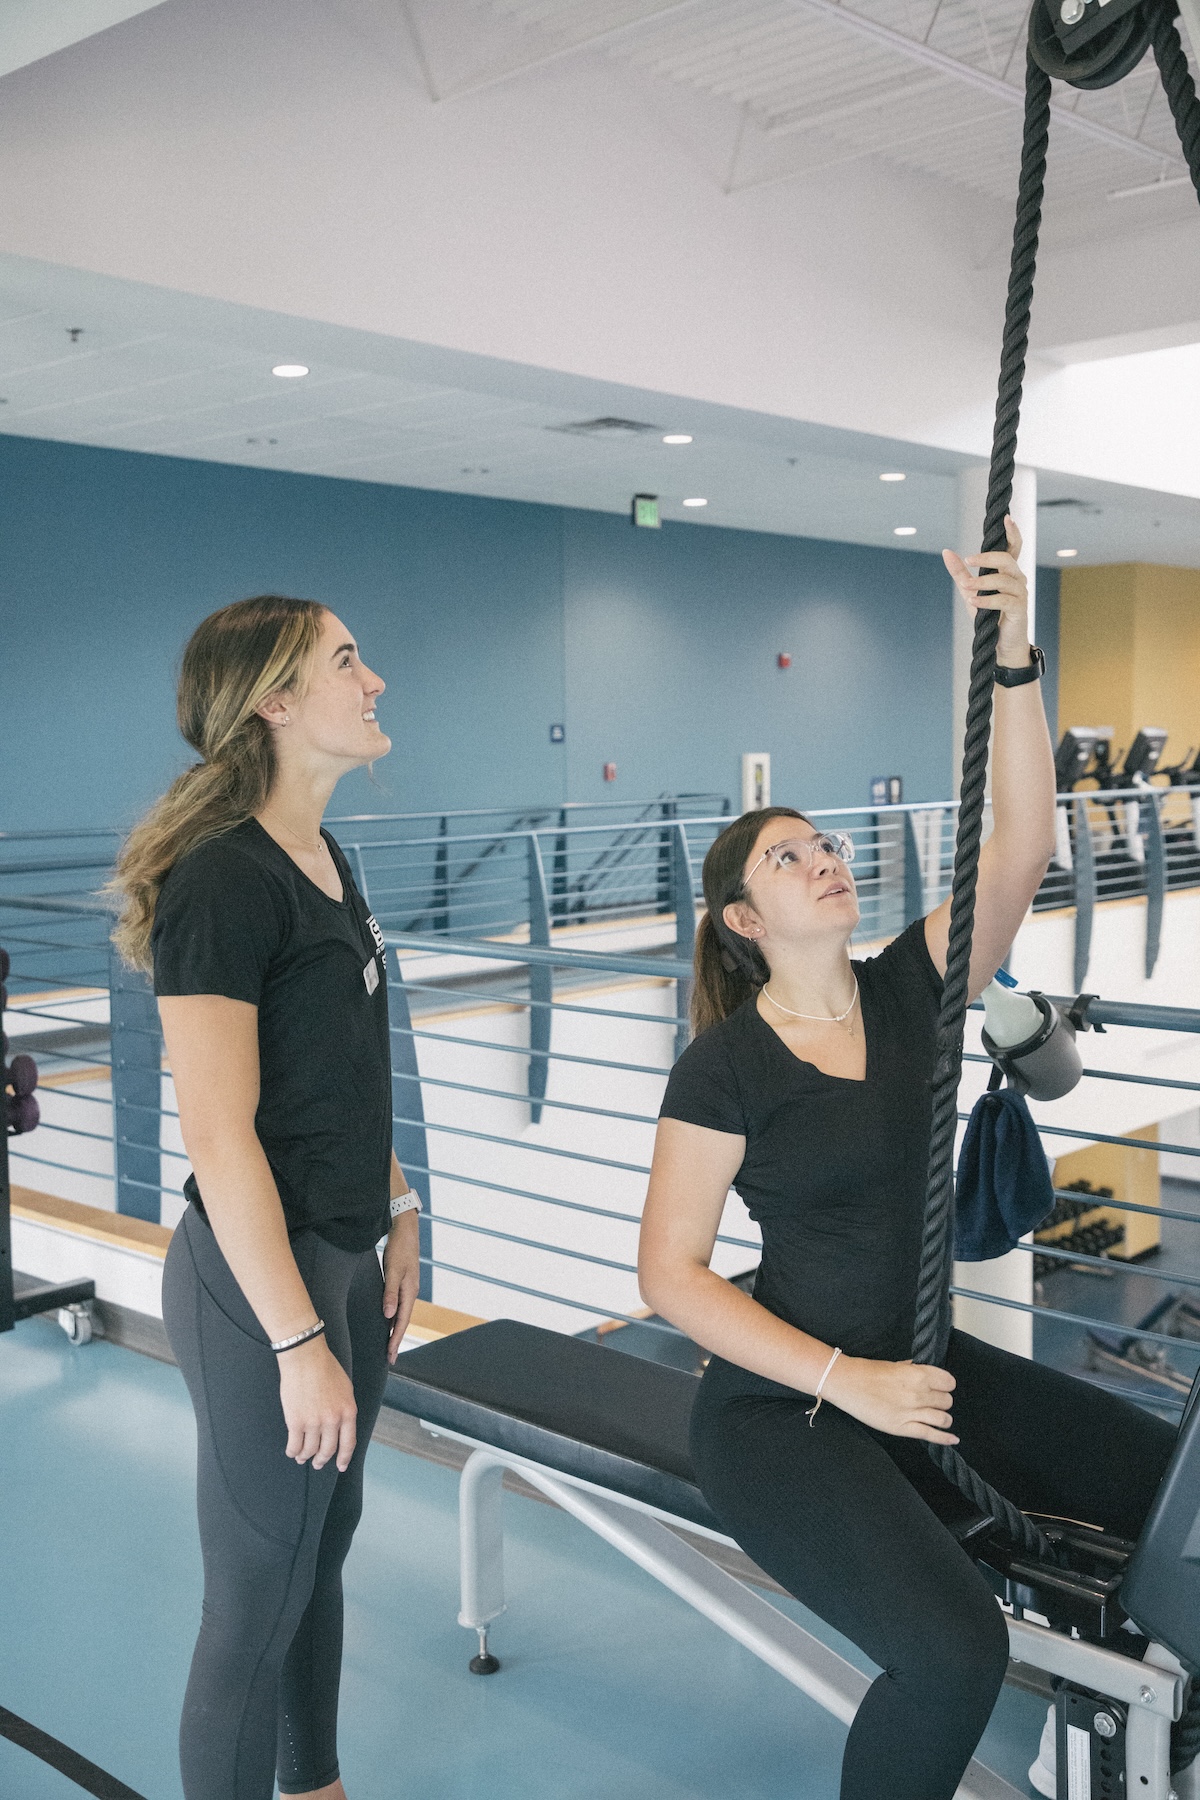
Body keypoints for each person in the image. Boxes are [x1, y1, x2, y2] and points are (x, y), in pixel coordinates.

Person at [638, 521, 1176, 1800]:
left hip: (926, 1373)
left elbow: (1026, 842)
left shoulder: (913, 990)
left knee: (1172, 1495)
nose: (822, 857)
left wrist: (1018, 652)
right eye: (786, 856)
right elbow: (671, 1275)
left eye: (822, 842)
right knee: (950, 1655)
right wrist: (850, 1384)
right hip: (786, 1412)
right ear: (741, 921)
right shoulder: (724, 1065)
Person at [109, 595, 421, 1800]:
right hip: (260, 1286)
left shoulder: (323, 856)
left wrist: (398, 1210)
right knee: (253, 1600)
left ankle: (315, 1786)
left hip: (344, 1256)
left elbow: (334, 1071)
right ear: (275, 702)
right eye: (350, 658)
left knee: (318, 1555)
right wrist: (297, 1340)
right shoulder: (222, 881)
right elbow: (219, 1133)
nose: (375, 678)